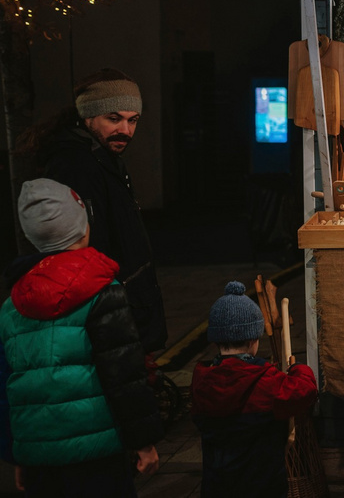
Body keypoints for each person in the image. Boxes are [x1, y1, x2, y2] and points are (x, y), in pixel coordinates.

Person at [0, 179, 162, 497]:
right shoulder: (103, 291)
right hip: (99, 452)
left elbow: (6, 387)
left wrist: (17, 454)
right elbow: (124, 375)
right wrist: (143, 441)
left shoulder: (12, 304)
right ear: (83, 227)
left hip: (39, 456)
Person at [33, 68, 168, 354]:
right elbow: (84, 252)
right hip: (109, 319)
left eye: (133, 121)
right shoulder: (77, 164)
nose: (126, 131)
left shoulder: (103, 158)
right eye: (114, 118)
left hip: (124, 312)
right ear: (87, 116)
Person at [191, 281, 318, 498]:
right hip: (262, 485)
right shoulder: (264, 381)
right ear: (253, 340)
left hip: (217, 486)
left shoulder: (201, 380)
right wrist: (299, 369)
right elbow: (304, 391)